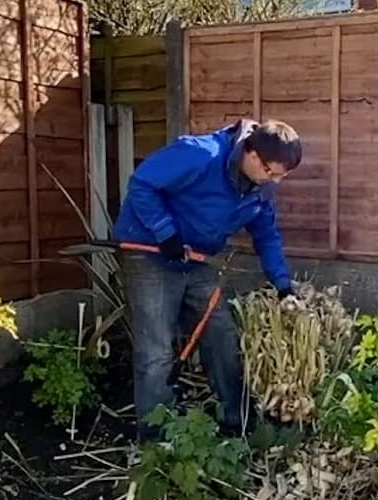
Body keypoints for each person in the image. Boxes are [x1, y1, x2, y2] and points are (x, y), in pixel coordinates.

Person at [113, 118, 302, 441]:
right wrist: (165, 233)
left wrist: (283, 286)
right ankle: (156, 443)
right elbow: (143, 183)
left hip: (198, 258)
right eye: (273, 172)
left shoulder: (260, 188)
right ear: (252, 155)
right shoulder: (200, 154)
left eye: (283, 175)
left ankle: (238, 423)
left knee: (222, 338)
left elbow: (267, 236)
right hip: (150, 254)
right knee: (156, 352)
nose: (277, 181)